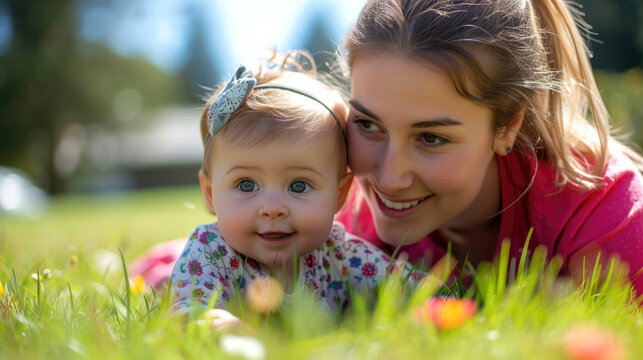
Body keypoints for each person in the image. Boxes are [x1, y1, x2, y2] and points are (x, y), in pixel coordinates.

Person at [335, 0, 643, 293]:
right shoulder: (341, 229)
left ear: (508, 126)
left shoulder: (601, 213)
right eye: (368, 125)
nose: (389, 178)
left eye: (431, 138)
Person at [167, 54, 425, 319]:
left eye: (299, 186)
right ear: (210, 193)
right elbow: (187, 312)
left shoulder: (338, 255)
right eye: (246, 185)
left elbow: (416, 289)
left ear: (339, 195)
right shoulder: (210, 251)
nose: (272, 209)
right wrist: (215, 323)